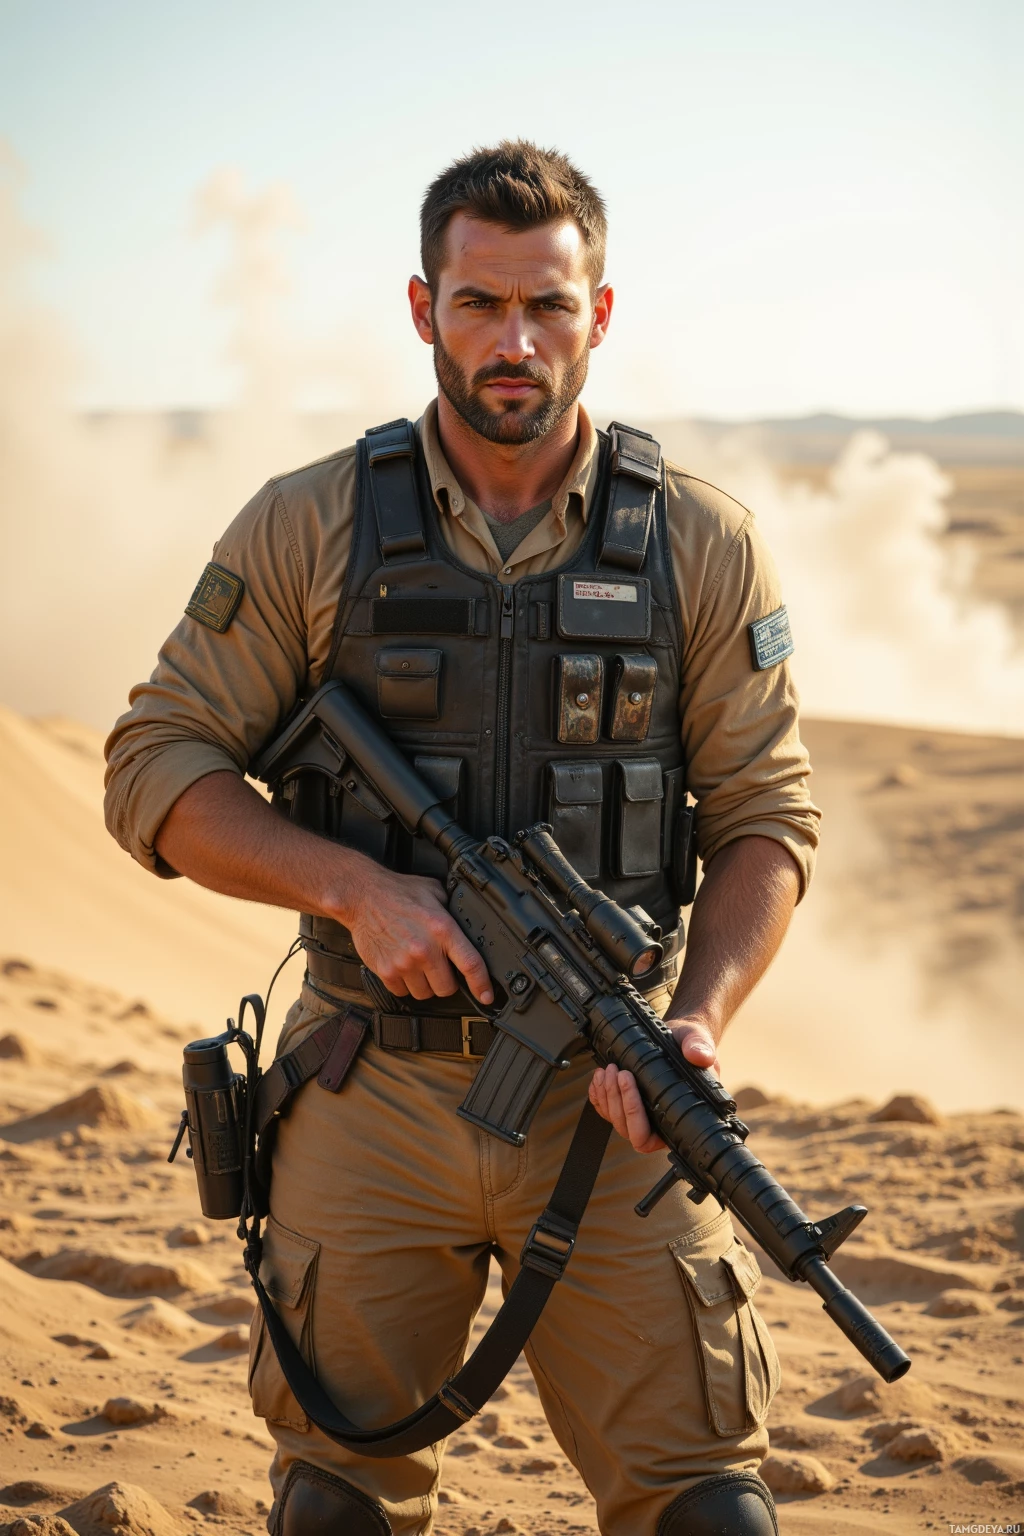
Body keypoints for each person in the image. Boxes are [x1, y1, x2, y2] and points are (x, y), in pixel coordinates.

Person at [105, 140, 820, 1536]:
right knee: (334, 1503)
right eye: (480, 303)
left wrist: (697, 1020)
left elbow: (767, 820)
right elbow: (156, 765)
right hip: (371, 1081)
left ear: (598, 316)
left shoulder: (699, 541)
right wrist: (355, 887)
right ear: (423, 306)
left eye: (548, 306)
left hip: (609, 1100)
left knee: (708, 1507)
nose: (515, 341)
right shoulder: (310, 523)